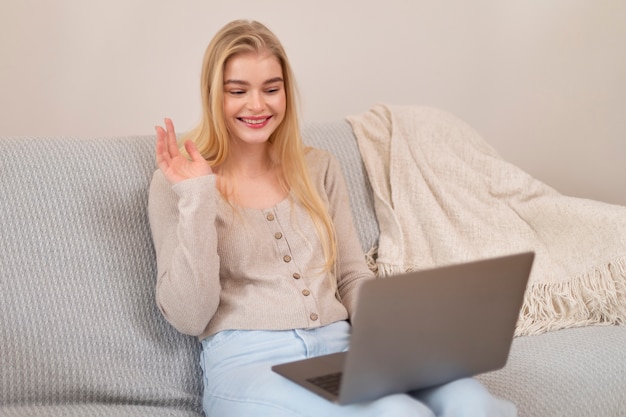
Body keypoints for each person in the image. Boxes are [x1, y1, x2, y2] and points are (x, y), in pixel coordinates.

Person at [148, 19, 517, 417]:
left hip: (343, 351)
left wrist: (396, 338)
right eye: (238, 91)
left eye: (271, 89)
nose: (257, 105)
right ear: (212, 96)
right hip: (249, 364)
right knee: (397, 413)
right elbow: (189, 315)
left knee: (470, 399)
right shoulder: (181, 182)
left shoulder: (318, 167)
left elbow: (350, 277)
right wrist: (198, 196)